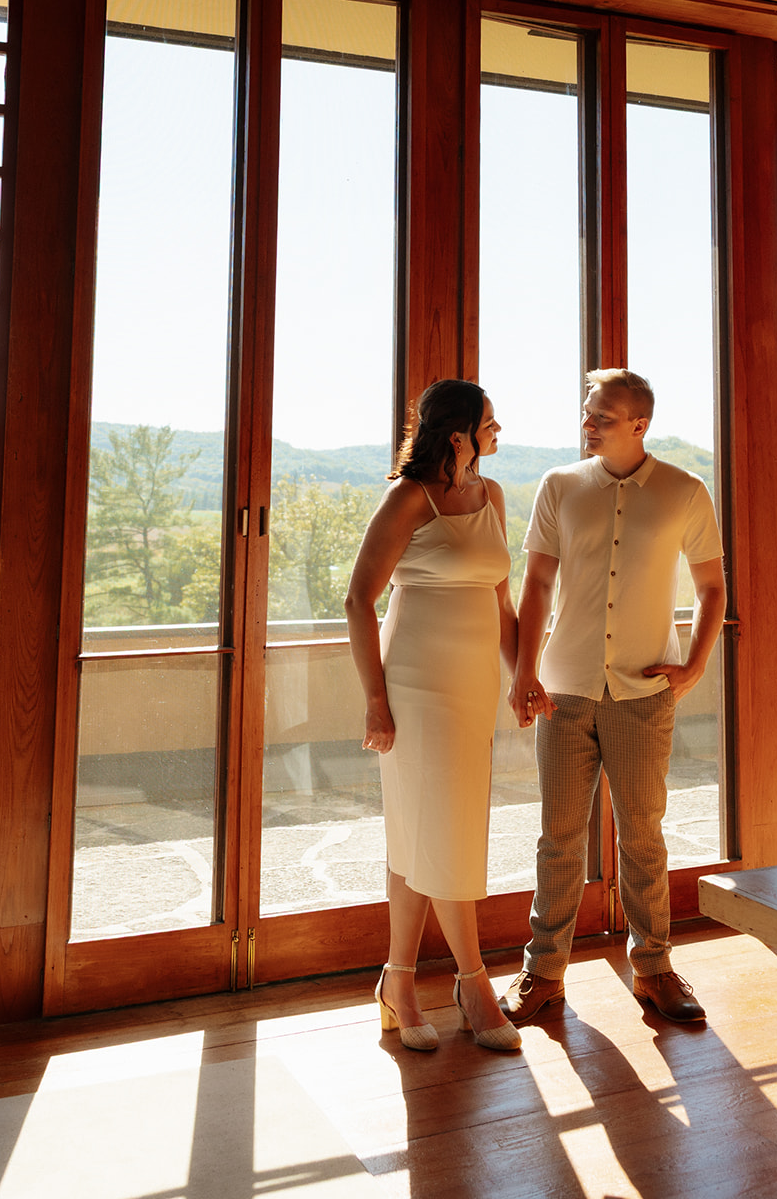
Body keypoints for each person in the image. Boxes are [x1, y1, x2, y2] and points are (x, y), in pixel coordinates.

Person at [501, 369, 726, 1025]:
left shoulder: (685, 491)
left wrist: (694, 664)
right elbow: (536, 585)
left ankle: (653, 969)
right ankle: (543, 974)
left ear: (639, 424)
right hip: (563, 692)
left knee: (642, 836)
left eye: (600, 416)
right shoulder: (559, 486)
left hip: (642, 694)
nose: (587, 424)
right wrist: (523, 670)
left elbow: (712, 587)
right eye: (586, 412)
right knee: (559, 838)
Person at [345, 379, 521, 1052]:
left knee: (419, 832)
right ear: (458, 435)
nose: (497, 431)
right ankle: (473, 984)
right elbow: (359, 600)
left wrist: (523, 676)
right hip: (416, 686)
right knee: (445, 830)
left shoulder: (491, 496)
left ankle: (398, 980)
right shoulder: (408, 498)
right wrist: (375, 701)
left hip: (473, 685)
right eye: (489, 423)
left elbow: (501, 604)